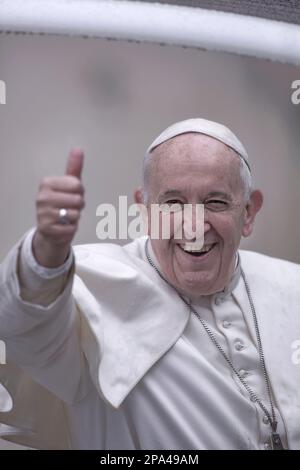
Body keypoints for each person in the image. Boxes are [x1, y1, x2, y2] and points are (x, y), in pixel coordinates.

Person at [0, 118, 299, 450]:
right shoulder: (92, 282)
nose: (194, 226)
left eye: (216, 202)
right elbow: (28, 329)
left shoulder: (292, 284)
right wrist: (45, 251)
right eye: (173, 203)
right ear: (144, 210)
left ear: (249, 212)